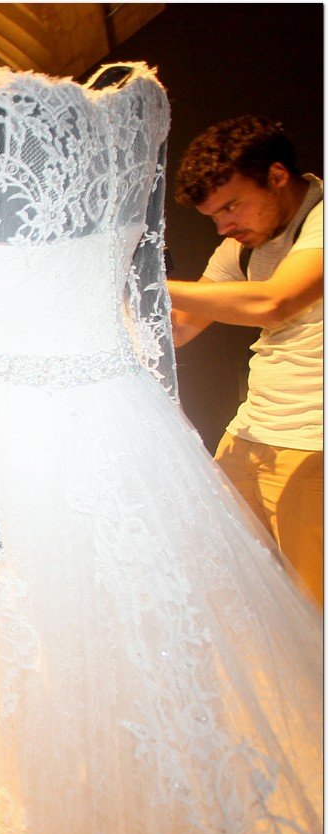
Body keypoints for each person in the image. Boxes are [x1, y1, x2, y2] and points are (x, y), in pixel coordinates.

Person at [0, 62, 321, 834]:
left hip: (29, 440)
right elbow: (146, 303)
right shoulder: (143, 110)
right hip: (130, 422)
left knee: (73, 675)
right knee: (162, 661)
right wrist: (163, 422)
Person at [168, 115, 323, 607]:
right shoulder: (242, 243)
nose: (225, 226)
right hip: (249, 436)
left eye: (232, 206)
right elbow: (181, 326)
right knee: (234, 598)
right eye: (214, 216)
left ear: (278, 176)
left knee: (312, 609)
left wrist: (144, 285)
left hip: (310, 444)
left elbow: (274, 301)